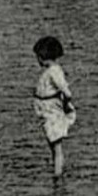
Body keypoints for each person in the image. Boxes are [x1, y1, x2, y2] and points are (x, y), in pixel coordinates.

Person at [32, 35, 75, 181]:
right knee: (53, 144)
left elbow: (64, 88)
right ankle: (58, 170)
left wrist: (67, 99)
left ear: (43, 56)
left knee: (56, 146)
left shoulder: (54, 71)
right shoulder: (51, 70)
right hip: (47, 112)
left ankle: (58, 174)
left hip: (52, 112)